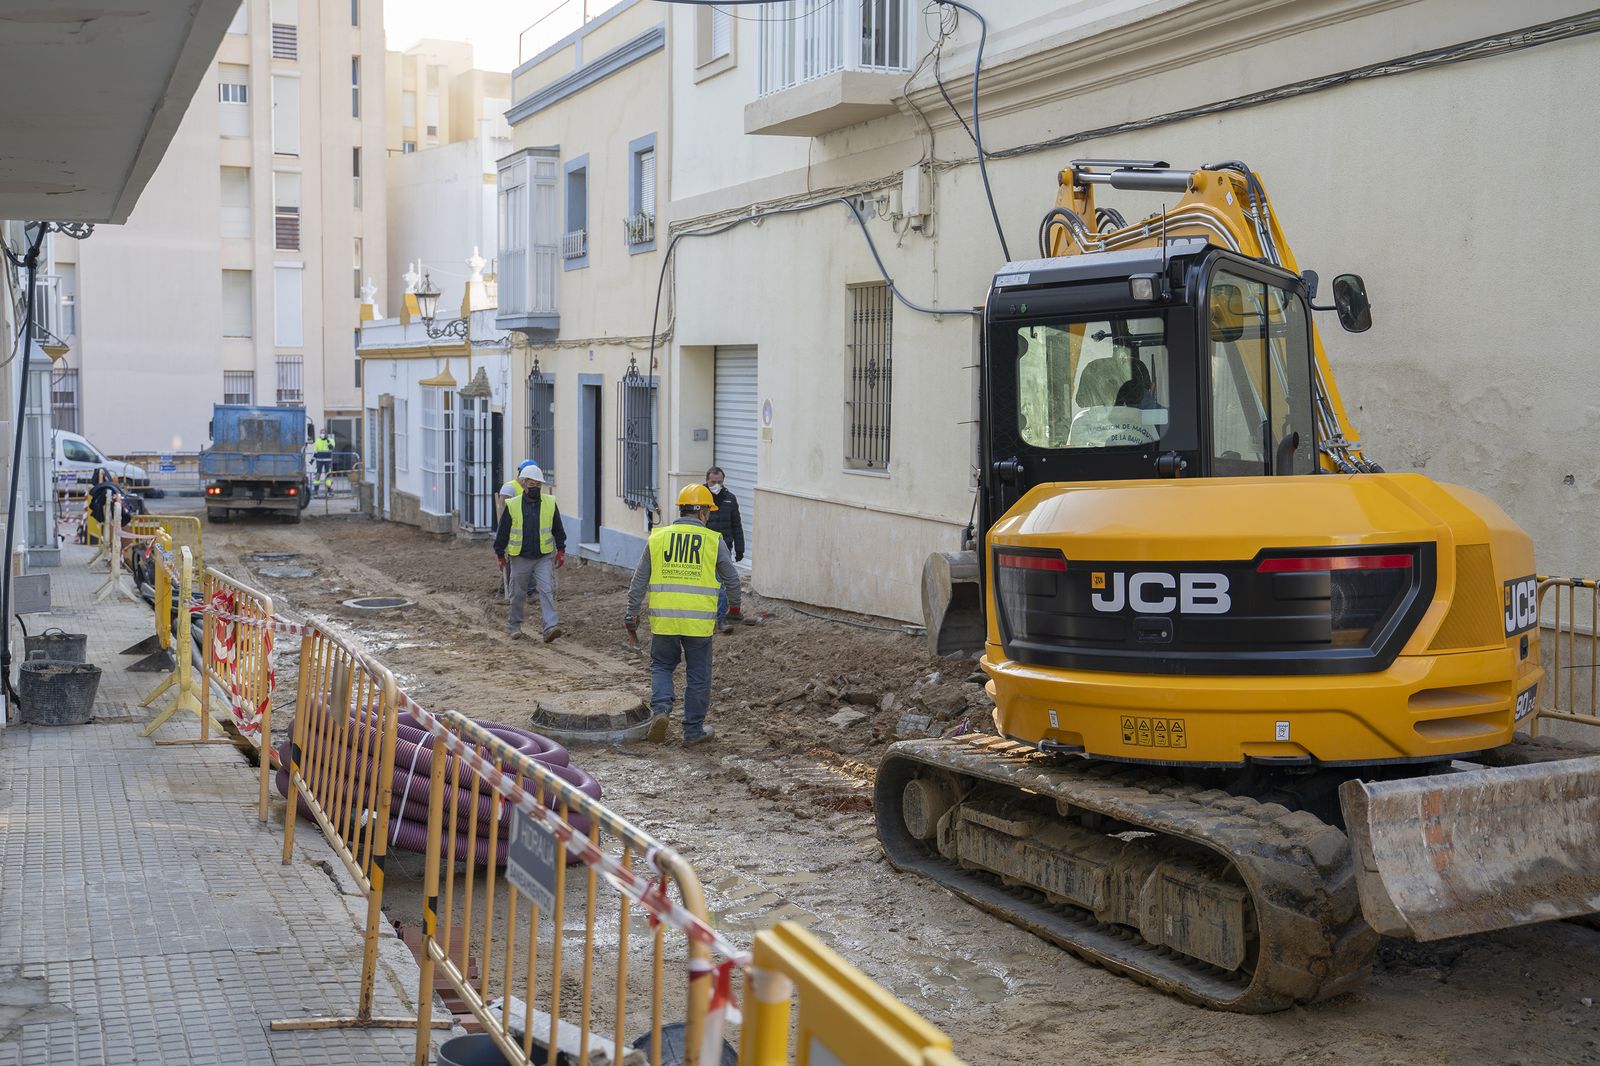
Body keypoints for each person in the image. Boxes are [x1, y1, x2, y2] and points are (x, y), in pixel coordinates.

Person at [624, 484, 742, 746]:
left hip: (664, 619)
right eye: (709, 511)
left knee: (662, 665)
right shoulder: (713, 540)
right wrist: (735, 609)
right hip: (698, 623)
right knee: (698, 675)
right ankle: (692, 731)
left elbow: (639, 580)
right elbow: (732, 580)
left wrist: (631, 613)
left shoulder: (658, 537)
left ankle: (662, 711)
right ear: (702, 513)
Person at [492, 462, 567, 641]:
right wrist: (500, 554)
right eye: (532, 484)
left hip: (543, 556)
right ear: (524, 484)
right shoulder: (513, 505)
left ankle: (550, 626)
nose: (535, 488)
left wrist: (561, 550)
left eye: (538, 485)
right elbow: (503, 531)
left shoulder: (550, 503)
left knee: (546, 590)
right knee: (517, 593)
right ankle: (514, 626)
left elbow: (558, 528)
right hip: (520, 557)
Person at [703, 466, 745, 634]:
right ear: (707, 480)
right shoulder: (698, 499)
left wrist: (740, 549)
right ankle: (715, 616)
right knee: (713, 585)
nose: (717, 485)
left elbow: (736, 525)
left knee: (722, 584)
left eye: (720, 482)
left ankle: (721, 618)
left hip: (723, 549)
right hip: (703, 549)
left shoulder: (730, 499)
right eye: (713, 482)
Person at [311, 430, 336, 497]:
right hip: (319, 460)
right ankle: (316, 490)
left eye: (324, 433)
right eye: (321, 433)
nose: (322, 434)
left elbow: (332, 447)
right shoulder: (317, 440)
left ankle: (329, 490)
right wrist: (312, 460)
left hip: (327, 460)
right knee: (317, 475)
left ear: (326, 434)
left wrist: (328, 442)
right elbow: (315, 451)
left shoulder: (330, 440)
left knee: (328, 475)